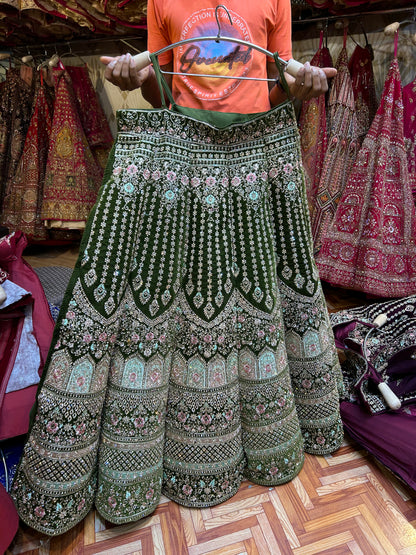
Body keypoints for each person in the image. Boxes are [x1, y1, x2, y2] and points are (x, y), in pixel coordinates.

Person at [11, 0, 343, 537]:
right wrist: (134, 76)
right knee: (169, 307)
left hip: (256, 161)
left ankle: (268, 433)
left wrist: (300, 85)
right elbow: (156, 92)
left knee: (259, 301)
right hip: (175, 162)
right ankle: (141, 459)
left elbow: (278, 87)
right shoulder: (161, 1)